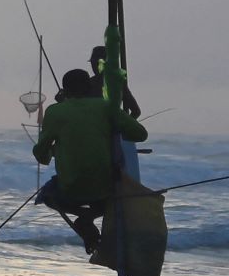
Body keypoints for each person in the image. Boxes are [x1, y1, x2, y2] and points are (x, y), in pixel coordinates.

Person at [32, 68, 148, 254]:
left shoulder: (55, 112)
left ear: (64, 91)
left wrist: (50, 153)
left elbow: (41, 154)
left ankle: (83, 215)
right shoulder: (107, 107)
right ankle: (90, 216)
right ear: (89, 87)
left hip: (71, 188)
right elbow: (140, 135)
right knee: (108, 201)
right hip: (105, 187)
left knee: (46, 196)